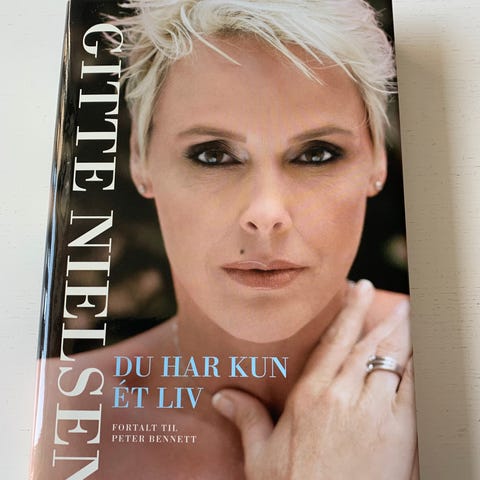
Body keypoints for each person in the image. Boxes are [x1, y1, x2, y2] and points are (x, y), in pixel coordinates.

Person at [32, 1, 418, 478]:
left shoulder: (454, 366)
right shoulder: (44, 414)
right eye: (212, 155)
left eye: (317, 153)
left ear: (378, 159)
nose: (266, 214)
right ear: (139, 158)